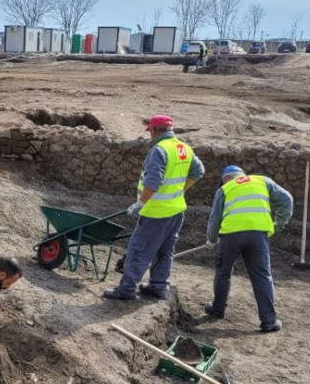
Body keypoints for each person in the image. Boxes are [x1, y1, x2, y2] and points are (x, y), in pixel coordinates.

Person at [103, 114, 205, 300]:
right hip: (176, 210)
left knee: (138, 250)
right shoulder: (183, 147)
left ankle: (126, 290)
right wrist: (180, 191)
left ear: (156, 130)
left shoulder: (159, 150)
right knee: (165, 250)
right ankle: (158, 286)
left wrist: (140, 204)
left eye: (150, 130)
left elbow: (152, 182)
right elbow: (199, 171)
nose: (149, 134)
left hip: (156, 212)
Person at [203, 166, 294, 333]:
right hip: (258, 235)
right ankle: (269, 320)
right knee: (262, 277)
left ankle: (218, 310)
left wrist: (211, 239)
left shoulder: (225, 189)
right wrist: (277, 225)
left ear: (225, 178)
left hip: (230, 236)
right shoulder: (262, 181)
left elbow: (215, 219)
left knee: (223, 273)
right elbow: (286, 200)